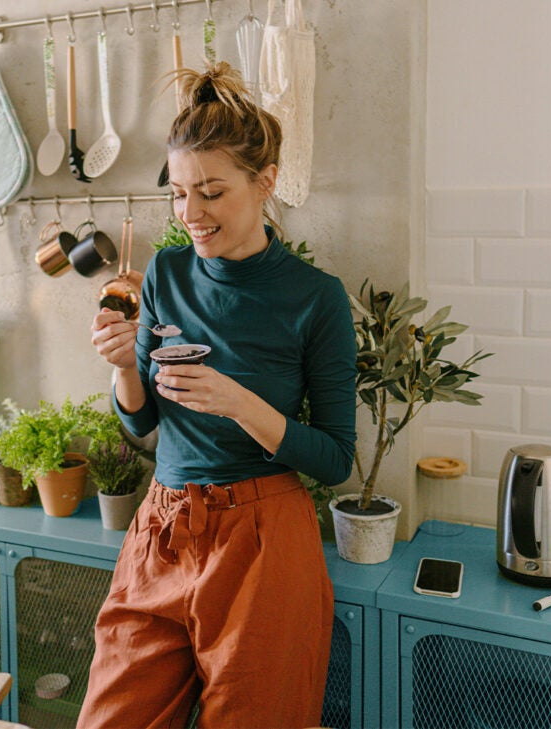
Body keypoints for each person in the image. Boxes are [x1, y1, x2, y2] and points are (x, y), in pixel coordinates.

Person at [81, 62, 357, 729]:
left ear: (264, 183)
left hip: (263, 541)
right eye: (178, 194)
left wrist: (239, 401)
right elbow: (141, 424)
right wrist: (123, 368)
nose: (191, 215)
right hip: (163, 529)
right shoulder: (166, 274)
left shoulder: (316, 299)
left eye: (210, 192)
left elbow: (335, 459)